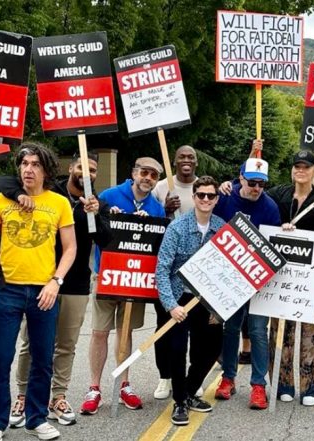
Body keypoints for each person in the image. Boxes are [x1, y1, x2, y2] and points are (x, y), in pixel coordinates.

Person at [0, 152, 113, 428]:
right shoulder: (52, 192)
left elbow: (107, 242)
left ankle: (58, 397)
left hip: (75, 284)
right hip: (40, 280)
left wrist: (95, 215)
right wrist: (17, 194)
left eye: (93, 170)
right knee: (30, 344)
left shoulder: (99, 203)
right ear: (70, 168)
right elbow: (4, 181)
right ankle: (23, 397)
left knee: (66, 345)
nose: (88, 173)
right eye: (82, 166)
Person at [0, 143, 77, 441]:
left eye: (35, 164)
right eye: (24, 163)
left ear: (46, 169)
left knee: (42, 357)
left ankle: (36, 418)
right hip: (6, 289)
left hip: (44, 291)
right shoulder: (1, 199)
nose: (28, 169)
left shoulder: (59, 203)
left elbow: (71, 248)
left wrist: (56, 281)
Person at [81, 157, 167, 415]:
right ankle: (94, 388)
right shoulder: (108, 195)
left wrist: (144, 224)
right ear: (133, 173)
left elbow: (157, 245)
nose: (148, 178)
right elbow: (92, 231)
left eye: (153, 175)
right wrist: (108, 216)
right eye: (144, 172)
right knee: (99, 332)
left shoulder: (156, 207)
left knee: (125, 332)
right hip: (106, 275)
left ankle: (123, 384)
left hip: (135, 281)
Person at [213, 146, 281, 410]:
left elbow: (274, 244)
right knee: (230, 328)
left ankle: (258, 385)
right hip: (230, 277)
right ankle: (228, 378)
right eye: (251, 182)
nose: (256, 188)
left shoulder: (270, 207)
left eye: (261, 183)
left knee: (257, 331)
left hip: (258, 278)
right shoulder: (225, 197)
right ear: (240, 179)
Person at [155, 176, 225, 426]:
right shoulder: (177, 227)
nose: (206, 199)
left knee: (213, 347)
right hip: (180, 297)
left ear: (216, 199)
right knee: (176, 349)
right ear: (194, 197)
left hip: (207, 300)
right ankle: (179, 403)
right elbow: (162, 269)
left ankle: (189, 391)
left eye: (211, 196)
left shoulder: (222, 229)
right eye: (201, 195)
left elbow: (227, 273)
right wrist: (171, 305)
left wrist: (220, 307)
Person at [266, 150, 314, 407]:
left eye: (306, 166)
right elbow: (257, 201)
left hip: (312, 275)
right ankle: (283, 383)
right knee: (282, 331)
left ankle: (310, 386)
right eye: (297, 166)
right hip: (281, 274)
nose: (300, 170)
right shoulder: (278, 195)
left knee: (310, 332)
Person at [151, 145, 199, 400]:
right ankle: (164, 377)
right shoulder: (161, 187)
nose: (186, 160)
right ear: (174, 161)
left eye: (191, 157)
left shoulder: (202, 188)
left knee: (194, 329)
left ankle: (192, 378)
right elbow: (151, 224)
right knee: (165, 326)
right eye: (182, 156)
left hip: (198, 273)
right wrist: (165, 211)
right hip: (170, 272)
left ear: (197, 162)